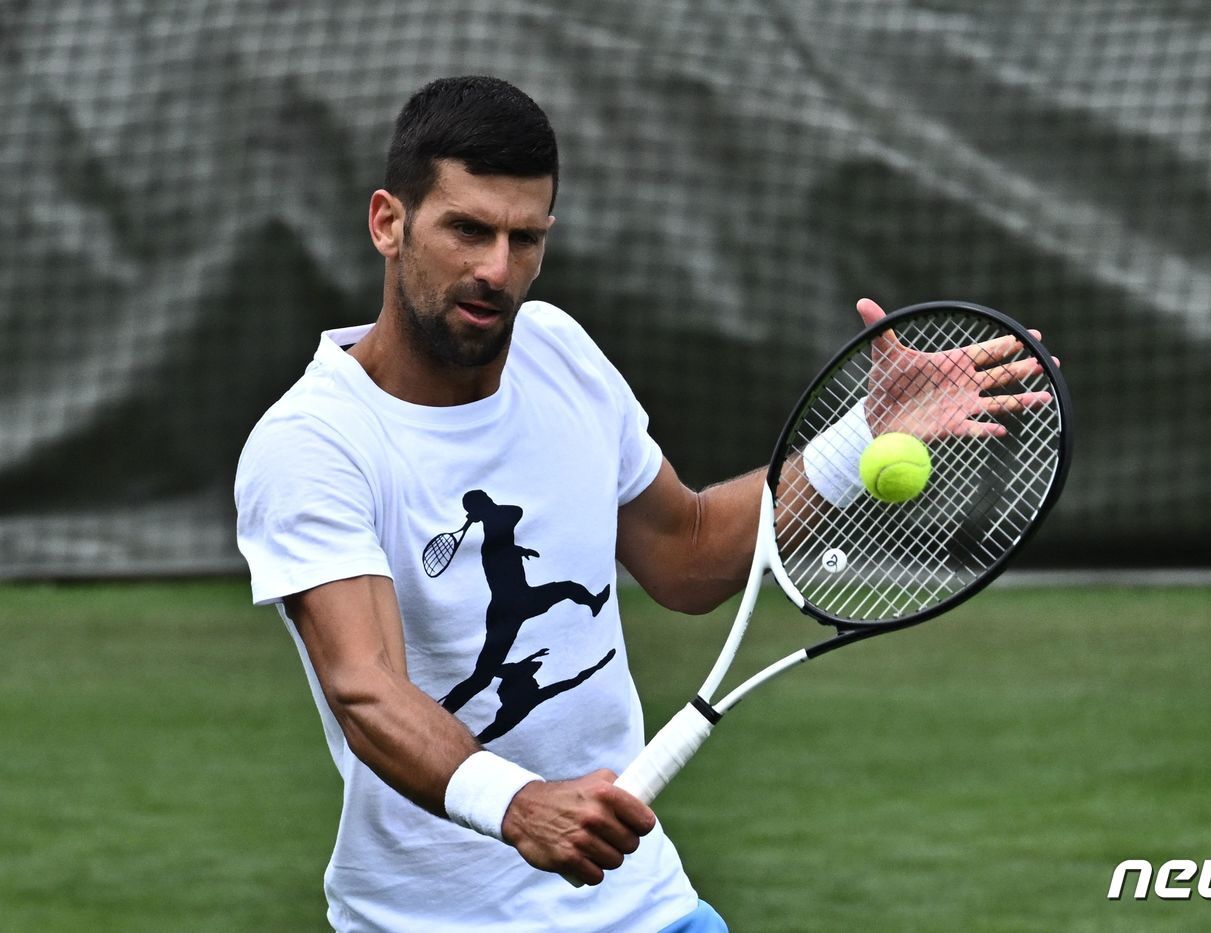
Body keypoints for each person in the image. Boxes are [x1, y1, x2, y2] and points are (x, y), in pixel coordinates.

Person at [235, 75, 1044, 932]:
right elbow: (367, 687)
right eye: (467, 229)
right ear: (388, 222)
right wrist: (518, 804)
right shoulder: (313, 442)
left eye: (525, 238)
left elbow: (686, 552)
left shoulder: (559, 352)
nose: (496, 270)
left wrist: (862, 432)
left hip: (648, 909)